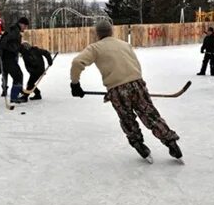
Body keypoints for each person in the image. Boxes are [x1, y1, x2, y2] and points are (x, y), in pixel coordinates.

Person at [70, 20, 182, 162]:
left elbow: (76, 62)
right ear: (111, 31)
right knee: (151, 115)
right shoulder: (124, 44)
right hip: (137, 84)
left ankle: (140, 146)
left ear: (97, 34)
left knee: (127, 119)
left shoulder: (95, 48)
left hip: (117, 89)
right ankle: (171, 143)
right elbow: (136, 63)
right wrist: (135, 83)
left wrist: (75, 84)